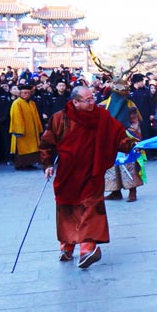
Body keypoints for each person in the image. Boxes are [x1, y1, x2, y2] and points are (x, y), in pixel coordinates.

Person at [39, 86, 136, 268]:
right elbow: (47, 142)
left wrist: (131, 145)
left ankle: (87, 249)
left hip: (92, 171)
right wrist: (47, 164)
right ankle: (66, 246)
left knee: (91, 206)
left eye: (93, 98)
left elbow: (118, 136)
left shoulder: (101, 116)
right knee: (68, 207)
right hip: (68, 172)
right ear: (75, 102)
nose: (93, 102)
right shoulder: (60, 118)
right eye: (88, 100)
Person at [99, 80, 143, 202]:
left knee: (129, 165)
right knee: (111, 166)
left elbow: (135, 123)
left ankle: (132, 191)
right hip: (109, 140)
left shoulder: (130, 105)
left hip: (126, 138)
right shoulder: (103, 106)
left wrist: (131, 137)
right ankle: (115, 191)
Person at [9, 84, 44, 170]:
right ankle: (20, 165)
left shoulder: (32, 103)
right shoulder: (17, 103)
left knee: (32, 148)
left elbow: (36, 116)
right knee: (22, 148)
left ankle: (29, 164)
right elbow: (16, 117)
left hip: (32, 131)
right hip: (22, 131)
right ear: (20, 93)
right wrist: (19, 130)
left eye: (28, 93)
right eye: (24, 93)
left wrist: (39, 128)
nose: (26, 94)